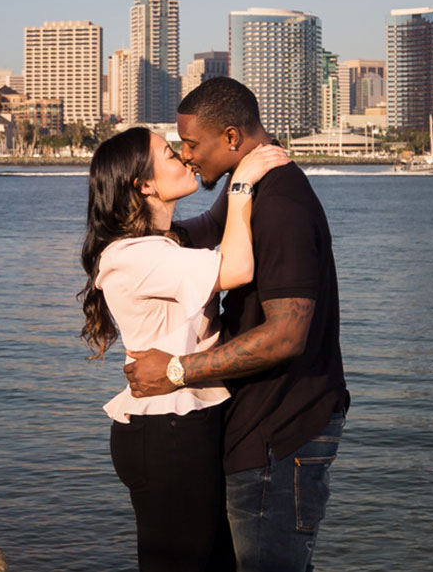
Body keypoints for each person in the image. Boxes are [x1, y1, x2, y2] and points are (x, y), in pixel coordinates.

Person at [125, 78, 348, 572]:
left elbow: (287, 333)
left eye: (191, 145)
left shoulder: (280, 201)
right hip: (260, 425)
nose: (186, 157)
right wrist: (145, 239)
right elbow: (208, 229)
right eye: (178, 148)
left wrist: (178, 371)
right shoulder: (249, 183)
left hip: (283, 428)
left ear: (230, 138)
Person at [82, 125, 293, 572]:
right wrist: (240, 186)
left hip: (183, 422)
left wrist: (247, 159)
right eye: (169, 154)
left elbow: (217, 225)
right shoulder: (136, 255)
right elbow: (236, 267)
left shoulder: (164, 242)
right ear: (144, 184)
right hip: (167, 432)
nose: (182, 155)